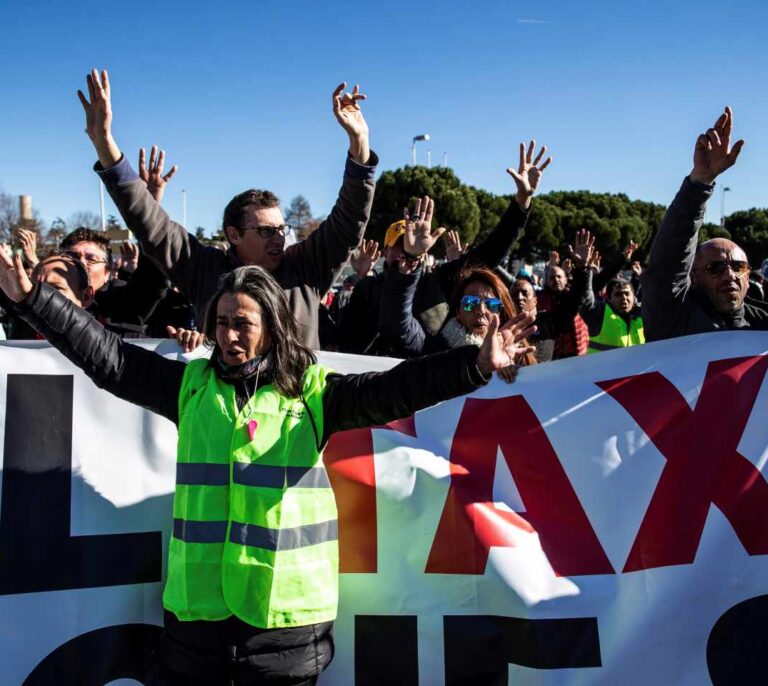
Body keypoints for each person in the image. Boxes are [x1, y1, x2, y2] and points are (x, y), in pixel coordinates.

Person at [0, 250, 534, 685]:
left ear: (274, 327)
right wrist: (33, 299)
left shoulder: (315, 394)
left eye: (244, 325)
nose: (230, 336)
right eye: (222, 323)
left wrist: (476, 364)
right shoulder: (187, 387)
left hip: (284, 633)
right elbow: (107, 357)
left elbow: (398, 389)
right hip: (196, 626)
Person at [78, 69, 378, 349]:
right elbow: (151, 225)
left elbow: (348, 222)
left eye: (281, 230)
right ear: (233, 235)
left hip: (293, 404)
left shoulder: (306, 267)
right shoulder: (205, 270)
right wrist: (104, 143)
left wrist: (359, 143)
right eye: (266, 231)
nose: (279, 239)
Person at [339, 140, 552, 355]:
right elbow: (347, 342)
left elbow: (490, 252)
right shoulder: (367, 289)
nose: (406, 251)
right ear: (386, 252)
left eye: (412, 247)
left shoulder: (441, 279)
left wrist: (521, 202)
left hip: (434, 377)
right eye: (399, 246)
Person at [642, 106, 768, 340]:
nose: (730, 275)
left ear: (749, 277)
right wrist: (700, 183)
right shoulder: (675, 318)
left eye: (738, 267)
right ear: (695, 278)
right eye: (716, 268)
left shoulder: (762, 325)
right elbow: (667, 264)